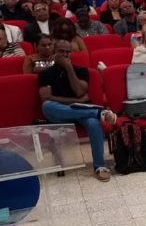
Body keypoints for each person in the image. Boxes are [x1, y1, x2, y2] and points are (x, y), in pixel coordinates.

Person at [38, 39, 116, 181]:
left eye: (68, 52)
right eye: (61, 51)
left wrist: (69, 68)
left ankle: (100, 166)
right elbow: (46, 98)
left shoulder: (81, 71)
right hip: (61, 113)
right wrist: (77, 101)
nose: (65, 55)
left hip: (81, 112)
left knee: (93, 123)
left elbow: (79, 91)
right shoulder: (45, 74)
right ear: (54, 52)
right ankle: (98, 112)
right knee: (47, 106)